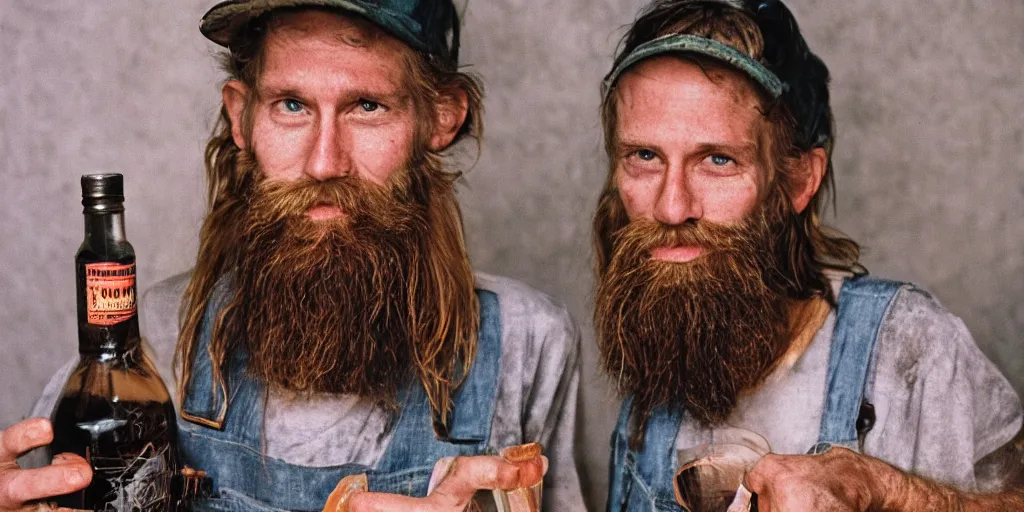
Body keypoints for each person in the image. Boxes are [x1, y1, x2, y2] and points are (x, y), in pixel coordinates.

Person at [0, 1, 585, 510]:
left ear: (440, 116)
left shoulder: (528, 344)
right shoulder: (155, 336)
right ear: (241, 115)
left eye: (367, 106)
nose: (324, 162)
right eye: (291, 105)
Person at [593, 0, 1023, 510]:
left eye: (718, 160)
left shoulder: (911, 345)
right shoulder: (664, 342)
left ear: (798, 181)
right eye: (644, 156)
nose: (671, 206)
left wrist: (882, 489)